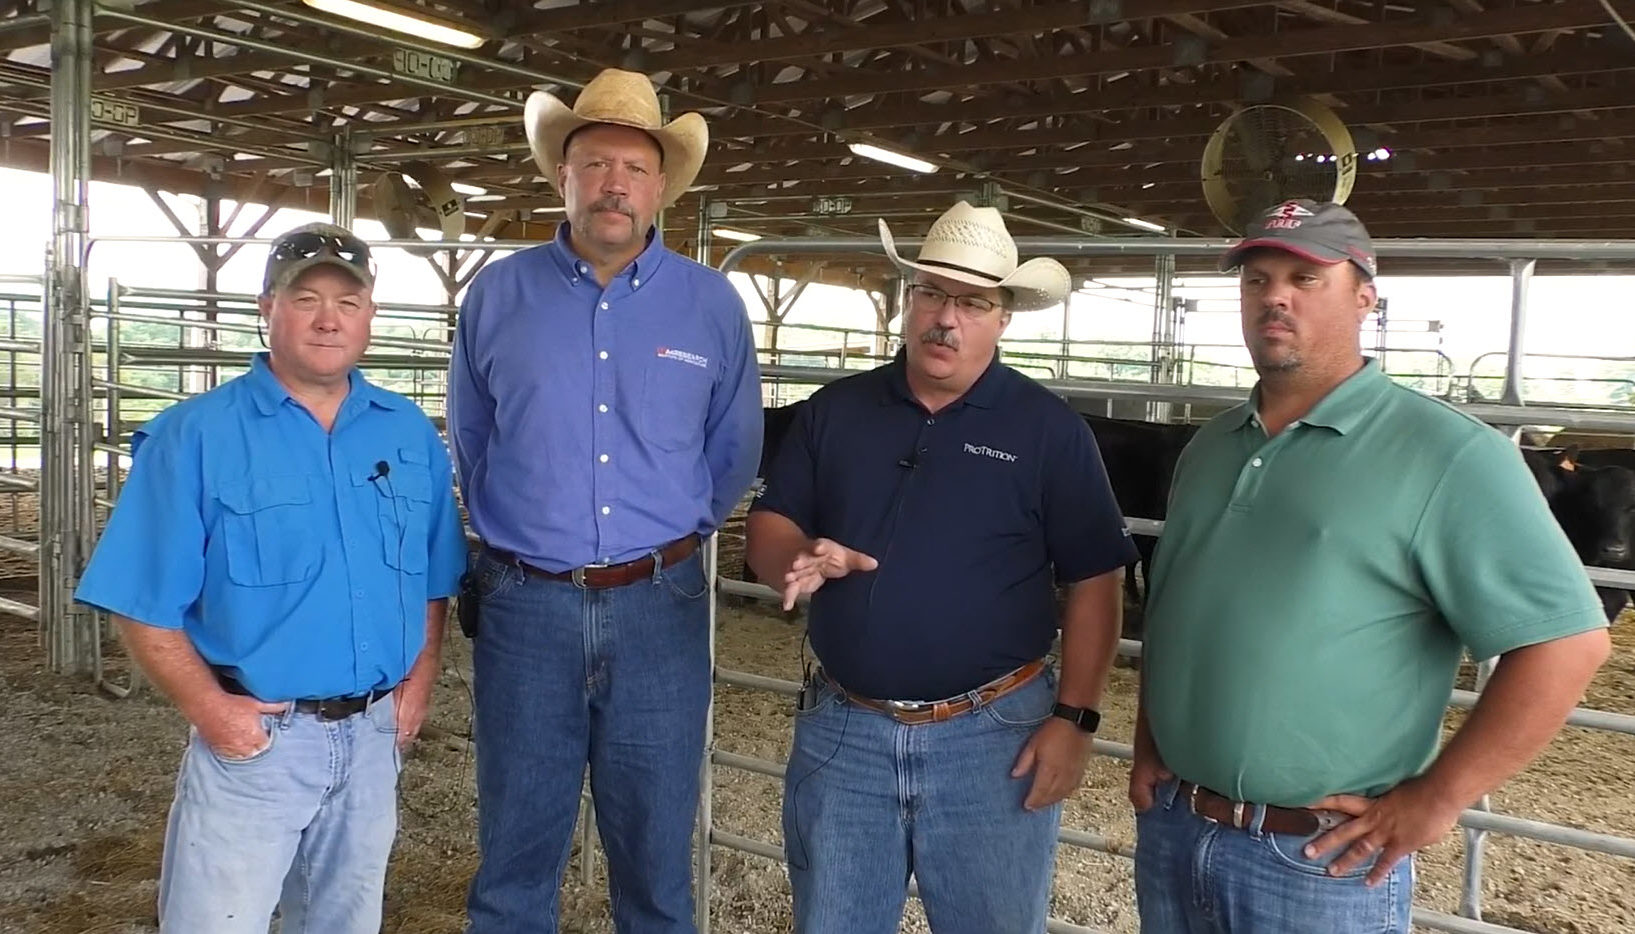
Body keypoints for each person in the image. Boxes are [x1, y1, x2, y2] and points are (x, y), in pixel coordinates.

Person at [1130, 199, 1612, 933]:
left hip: (1318, 855)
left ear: (1364, 298)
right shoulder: (1209, 446)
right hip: (1177, 826)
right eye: (1256, 279)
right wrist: (1149, 741)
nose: (1275, 297)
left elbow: (1567, 643)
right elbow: (1178, 607)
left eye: (1304, 278)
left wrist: (1437, 798)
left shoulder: (1447, 455)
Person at [745, 201, 1134, 933]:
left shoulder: (1048, 430)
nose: (944, 318)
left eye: (971, 302)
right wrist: (793, 560)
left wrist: (1075, 720)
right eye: (929, 293)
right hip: (846, 727)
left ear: (1003, 317)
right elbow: (771, 520)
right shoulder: (837, 410)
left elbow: (1094, 578)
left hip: (994, 734)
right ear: (908, 298)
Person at [73, 222, 468, 933]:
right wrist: (212, 712)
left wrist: (418, 685)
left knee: (345, 922)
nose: (327, 319)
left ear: (371, 313)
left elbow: (433, 579)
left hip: (375, 738)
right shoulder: (194, 436)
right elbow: (139, 599)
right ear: (267, 307)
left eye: (347, 303)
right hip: (259, 740)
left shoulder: (407, 433)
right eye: (305, 297)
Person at [449, 67, 762, 934]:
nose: (614, 182)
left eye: (633, 165)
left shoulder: (710, 306)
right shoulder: (498, 295)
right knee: (515, 848)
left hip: (659, 603)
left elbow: (733, 450)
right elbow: (472, 437)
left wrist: (674, 538)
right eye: (595, 163)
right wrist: (524, 532)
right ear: (563, 176)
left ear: (661, 185)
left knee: (656, 855)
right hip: (526, 604)